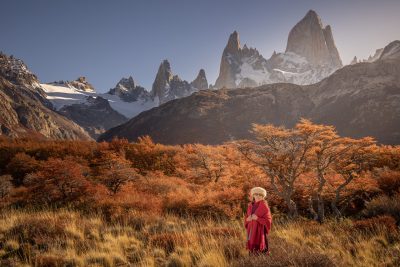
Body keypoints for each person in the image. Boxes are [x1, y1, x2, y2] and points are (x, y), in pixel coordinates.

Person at [244, 187, 272, 255]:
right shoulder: (250, 206)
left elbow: (268, 221)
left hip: (260, 233)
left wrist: (257, 219)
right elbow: (246, 218)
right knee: (252, 253)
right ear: (253, 195)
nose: (258, 196)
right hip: (251, 232)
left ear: (263, 197)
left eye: (261, 195)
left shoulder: (264, 206)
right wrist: (247, 220)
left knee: (261, 253)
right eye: (256, 194)